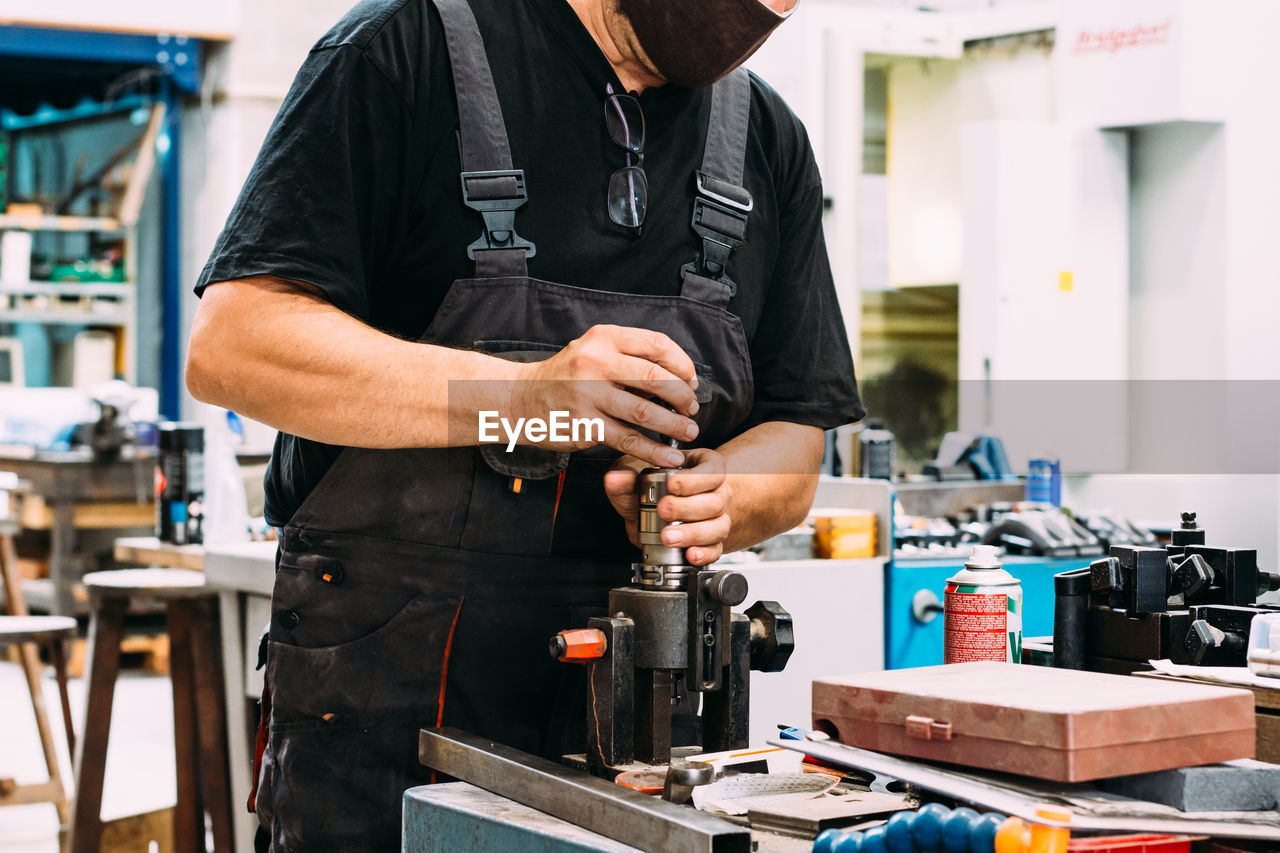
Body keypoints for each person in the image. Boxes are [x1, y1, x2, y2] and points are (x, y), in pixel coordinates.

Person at [186, 0, 864, 848]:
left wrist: (727, 497)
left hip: (651, 727)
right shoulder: (402, 51)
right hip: (389, 714)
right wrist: (520, 397)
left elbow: (800, 436)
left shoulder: (767, 137)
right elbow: (234, 347)